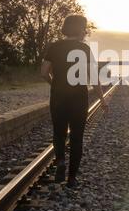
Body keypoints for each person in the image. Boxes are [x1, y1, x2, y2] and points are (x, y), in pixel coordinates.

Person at [41, 15, 107, 188]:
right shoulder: (84, 49)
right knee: (77, 137)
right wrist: (102, 99)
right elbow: (93, 77)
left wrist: (54, 83)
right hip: (79, 97)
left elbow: (43, 72)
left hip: (58, 96)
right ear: (80, 29)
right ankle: (72, 179)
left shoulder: (54, 47)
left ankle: (61, 160)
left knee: (59, 133)